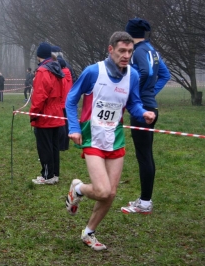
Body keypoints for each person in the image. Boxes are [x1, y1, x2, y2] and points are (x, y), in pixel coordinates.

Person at [64, 31, 156, 251]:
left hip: (115, 139)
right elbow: (71, 99)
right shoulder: (93, 72)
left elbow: (132, 103)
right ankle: (78, 189)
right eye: (122, 51)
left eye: (130, 51)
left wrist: (143, 113)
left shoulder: (132, 75)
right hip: (92, 138)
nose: (126, 55)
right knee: (103, 190)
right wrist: (74, 128)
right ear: (111, 49)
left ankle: (89, 232)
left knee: (111, 193)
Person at [121, 18, 171, 214]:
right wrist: (151, 92)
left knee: (144, 156)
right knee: (146, 155)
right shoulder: (152, 50)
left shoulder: (139, 51)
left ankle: (145, 202)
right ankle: (145, 199)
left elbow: (145, 72)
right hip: (151, 107)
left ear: (129, 34)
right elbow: (164, 75)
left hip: (143, 110)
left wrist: (136, 96)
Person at [29, 42, 64, 185]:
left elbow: (40, 95)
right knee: (54, 146)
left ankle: (47, 175)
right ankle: (54, 174)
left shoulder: (43, 71)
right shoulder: (57, 68)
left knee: (45, 146)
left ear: (38, 56)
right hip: (56, 113)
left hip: (45, 114)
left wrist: (33, 113)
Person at [57, 56, 73, 151]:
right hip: (68, 103)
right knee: (66, 124)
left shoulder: (61, 76)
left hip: (62, 103)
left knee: (61, 125)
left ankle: (61, 145)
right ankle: (65, 145)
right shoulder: (68, 74)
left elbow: (60, 90)